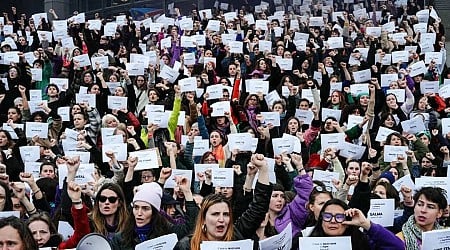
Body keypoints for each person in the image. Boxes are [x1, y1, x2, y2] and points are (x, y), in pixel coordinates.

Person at [175, 153, 272, 250]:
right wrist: (187, 192)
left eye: (226, 214)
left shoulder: (236, 235)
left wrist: (263, 169)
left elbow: (259, 208)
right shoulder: (187, 245)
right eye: (215, 214)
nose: (221, 219)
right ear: (203, 219)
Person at [309, 199, 404, 249]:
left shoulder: (363, 243)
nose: (333, 221)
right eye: (327, 216)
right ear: (321, 219)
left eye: (339, 217)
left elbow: (397, 247)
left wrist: (367, 225)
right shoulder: (308, 244)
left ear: (347, 223)